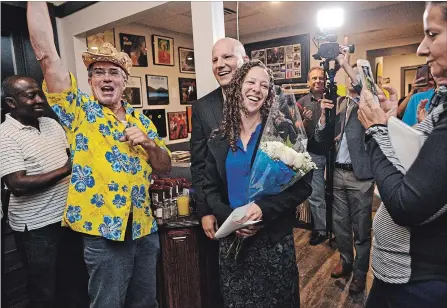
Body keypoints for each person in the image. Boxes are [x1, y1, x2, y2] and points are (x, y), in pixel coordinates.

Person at [27, 3, 171, 308]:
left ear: (125, 81)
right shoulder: (79, 112)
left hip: (144, 228)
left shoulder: (142, 122)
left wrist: (150, 144)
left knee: (146, 302)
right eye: (99, 73)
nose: (106, 78)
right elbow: (47, 55)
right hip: (105, 233)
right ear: (90, 81)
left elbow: (164, 165)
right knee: (107, 303)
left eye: (114, 73)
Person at [358, 2, 447, 307]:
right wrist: (390, 123)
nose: (423, 48)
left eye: (433, 34)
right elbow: (422, 160)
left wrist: (375, 131)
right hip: (401, 275)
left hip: (422, 281)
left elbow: (407, 205)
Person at [203, 60, 312, 308]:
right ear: (237, 87)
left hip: (273, 243)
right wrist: (232, 219)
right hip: (233, 244)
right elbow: (209, 189)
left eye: (264, 85)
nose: (256, 89)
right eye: (250, 82)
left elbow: (304, 185)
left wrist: (264, 209)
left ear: (269, 94)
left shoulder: (283, 132)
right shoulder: (219, 138)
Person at [0, 76, 88, 308]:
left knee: (74, 283)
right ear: (11, 102)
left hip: (67, 219)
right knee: (45, 291)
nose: (40, 100)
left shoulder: (51, 123)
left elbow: (72, 156)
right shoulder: (5, 136)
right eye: (31, 96)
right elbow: (17, 184)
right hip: (37, 228)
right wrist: (66, 169)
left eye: (40, 93)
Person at [315, 60, 375, 294]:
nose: (351, 79)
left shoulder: (371, 104)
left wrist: (347, 64)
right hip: (337, 174)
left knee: (361, 230)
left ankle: (360, 274)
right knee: (340, 226)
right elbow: (322, 138)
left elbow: (364, 86)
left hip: (361, 177)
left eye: (356, 75)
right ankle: (346, 262)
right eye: (349, 75)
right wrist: (323, 117)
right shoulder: (338, 103)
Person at [191, 37, 249, 239]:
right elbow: (198, 164)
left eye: (227, 57)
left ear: (245, 61)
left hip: (265, 214)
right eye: (215, 60)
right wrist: (205, 210)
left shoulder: (268, 100)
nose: (220, 64)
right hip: (223, 214)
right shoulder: (202, 108)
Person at [297, 66, 328, 245]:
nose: (317, 81)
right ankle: (321, 229)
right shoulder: (301, 103)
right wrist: (306, 120)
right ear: (309, 82)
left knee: (335, 195)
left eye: (321, 78)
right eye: (314, 78)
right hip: (313, 154)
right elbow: (295, 131)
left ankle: (336, 228)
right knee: (316, 194)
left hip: (335, 155)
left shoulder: (335, 99)